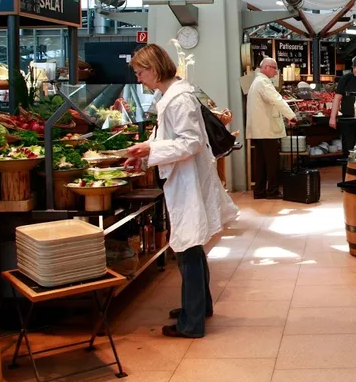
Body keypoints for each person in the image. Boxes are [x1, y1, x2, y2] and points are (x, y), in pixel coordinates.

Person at [124, 44, 238, 339]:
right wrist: (145, 153)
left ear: (153, 68)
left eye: (139, 73)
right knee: (192, 243)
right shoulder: (172, 95)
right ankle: (201, 306)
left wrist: (150, 149)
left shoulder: (178, 98)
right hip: (183, 178)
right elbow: (168, 137)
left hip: (188, 180)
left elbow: (191, 142)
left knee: (188, 246)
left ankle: (192, 322)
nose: (139, 79)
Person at [246, 57, 297, 199]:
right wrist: (291, 116)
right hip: (267, 130)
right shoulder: (263, 82)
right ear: (266, 67)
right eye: (274, 68)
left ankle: (259, 191)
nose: (276, 71)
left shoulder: (257, 82)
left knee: (261, 163)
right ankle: (272, 191)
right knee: (272, 162)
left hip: (259, 130)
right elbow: (277, 99)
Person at [330, 55, 356, 177]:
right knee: (348, 151)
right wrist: (332, 117)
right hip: (347, 120)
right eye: (354, 66)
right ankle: (347, 179)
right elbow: (337, 98)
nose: (355, 69)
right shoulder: (346, 79)